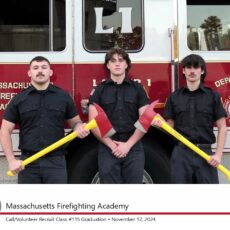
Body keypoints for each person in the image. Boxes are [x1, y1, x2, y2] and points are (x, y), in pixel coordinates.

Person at [0, 56, 89, 184]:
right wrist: (11, 160)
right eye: (35, 68)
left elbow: (75, 122)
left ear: (50, 72)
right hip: (28, 163)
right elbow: (5, 131)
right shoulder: (19, 99)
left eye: (44, 67)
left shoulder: (63, 96)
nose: (40, 71)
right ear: (29, 73)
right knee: (29, 204)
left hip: (56, 163)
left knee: (55, 203)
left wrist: (79, 127)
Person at [160, 54, 227, 183]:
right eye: (188, 67)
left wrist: (218, 154)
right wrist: (159, 123)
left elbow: (222, 127)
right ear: (183, 71)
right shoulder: (174, 97)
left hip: (205, 153)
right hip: (181, 154)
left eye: (196, 67)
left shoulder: (212, 96)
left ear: (202, 71)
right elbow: (170, 127)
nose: (192, 71)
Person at [88, 48, 149, 184]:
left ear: (126, 64)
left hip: (133, 146)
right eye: (113, 61)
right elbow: (93, 123)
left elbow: (145, 120)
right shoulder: (99, 90)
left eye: (121, 60)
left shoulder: (138, 88)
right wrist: (112, 146)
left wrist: (128, 145)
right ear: (108, 65)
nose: (117, 64)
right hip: (107, 145)